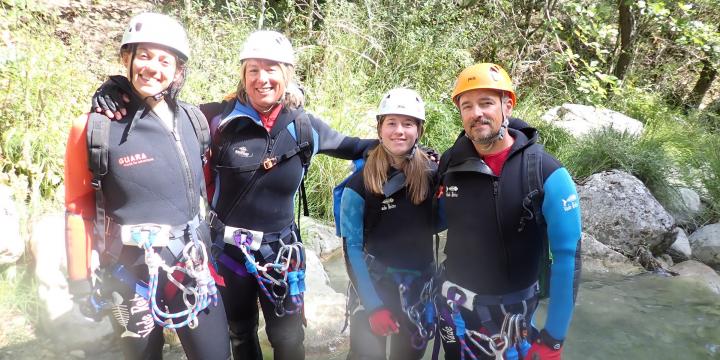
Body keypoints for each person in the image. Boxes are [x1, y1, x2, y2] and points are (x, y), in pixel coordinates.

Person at [64, 12, 231, 360]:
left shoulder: (194, 120)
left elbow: (248, 100)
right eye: (144, 55)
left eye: (164, 60)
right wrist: (79, 280)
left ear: (178, 71)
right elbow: (78, 207)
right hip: (128, 272)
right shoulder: (93, 129)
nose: (153, 67)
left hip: (191, 263)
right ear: (128, 58)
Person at [434, 63, 582, 360]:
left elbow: (568, 258)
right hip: (454, 307)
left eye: (486, 103)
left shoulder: (546, 172)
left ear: (507, 106)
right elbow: (435, 220)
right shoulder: (450, 163)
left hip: (512, 315)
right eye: (467, 106)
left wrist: (554, 338)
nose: (477, 113)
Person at [338, 88, 437, 359]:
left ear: (419, 131)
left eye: (408, 124)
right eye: (391, 123)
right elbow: (352, 249)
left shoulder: (432, 175)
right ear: (380, 129)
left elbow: (442, 222)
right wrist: (373, 306)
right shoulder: (359, 185)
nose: (399, 131)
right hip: (374, 285)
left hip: (418, 290)